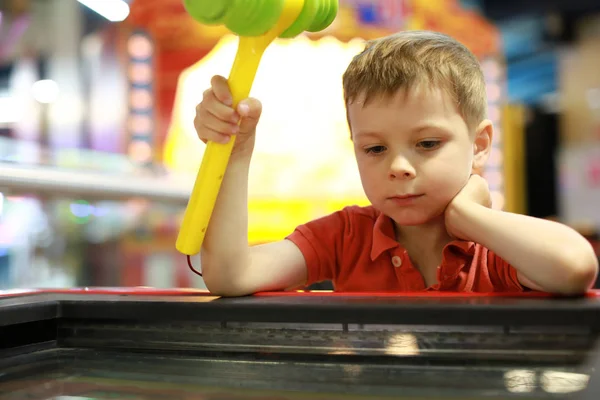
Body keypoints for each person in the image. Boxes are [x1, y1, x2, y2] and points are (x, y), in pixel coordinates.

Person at [193, 30, 598, 296]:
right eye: (374, 149)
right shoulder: (346, 236)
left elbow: (575, 267)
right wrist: (234, 151)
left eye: (426, 143)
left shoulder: (496, 249)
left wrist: (467, 214)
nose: (398, 167)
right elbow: (232, 275)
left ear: (479, 145)